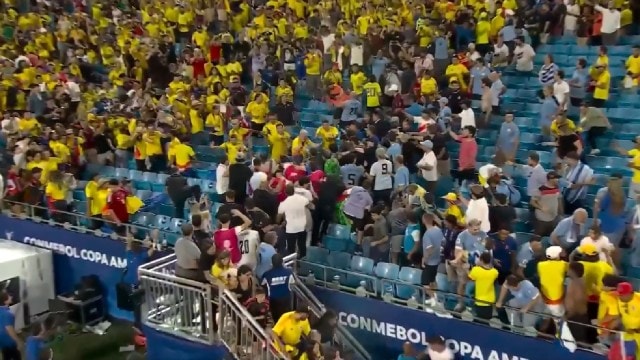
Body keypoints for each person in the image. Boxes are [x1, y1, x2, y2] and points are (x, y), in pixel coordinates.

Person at [278, 184, 311, 258]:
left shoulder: (284, 203)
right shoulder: (302, 199)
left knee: (291, 247)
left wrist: (279, 222)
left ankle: (292, 262)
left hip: (291, 228)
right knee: (302, 245)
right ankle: (303, 260)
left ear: (285, 193)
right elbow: (309, 205)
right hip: (302, 226)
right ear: (294, 191)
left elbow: (278, 216)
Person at [262, 254, 295, 321]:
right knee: (286, 319)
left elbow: (262, 284)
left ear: (272, 263)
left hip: (273, 301)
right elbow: (293, 282)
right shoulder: (289, 272)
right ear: (282, 262)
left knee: (276, 320)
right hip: (286, 300)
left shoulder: (267, 274)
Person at [468, 251, 499, 323]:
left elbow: (470, 277)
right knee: (486, 320)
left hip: (480, 300)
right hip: (490, 300)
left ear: (481, 260)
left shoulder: (476, 270)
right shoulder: (495, 272)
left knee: (479, 321)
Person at [421, 213, 444, 307]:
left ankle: (434, 298)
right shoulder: (439, 230)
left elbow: (429, 249)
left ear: (423, 221)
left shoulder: (427, 234)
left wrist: (424, 259)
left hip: (430, 262)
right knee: (432, 281)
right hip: (438, 260)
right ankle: (434, 299)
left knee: (425, 283)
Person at [0, 291, 21, 360]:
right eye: (9, 296)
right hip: (10, 343)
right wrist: (18, 341)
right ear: (5, 301)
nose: (11, 297)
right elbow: (9, 329)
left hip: (2, 343)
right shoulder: (7, 314)